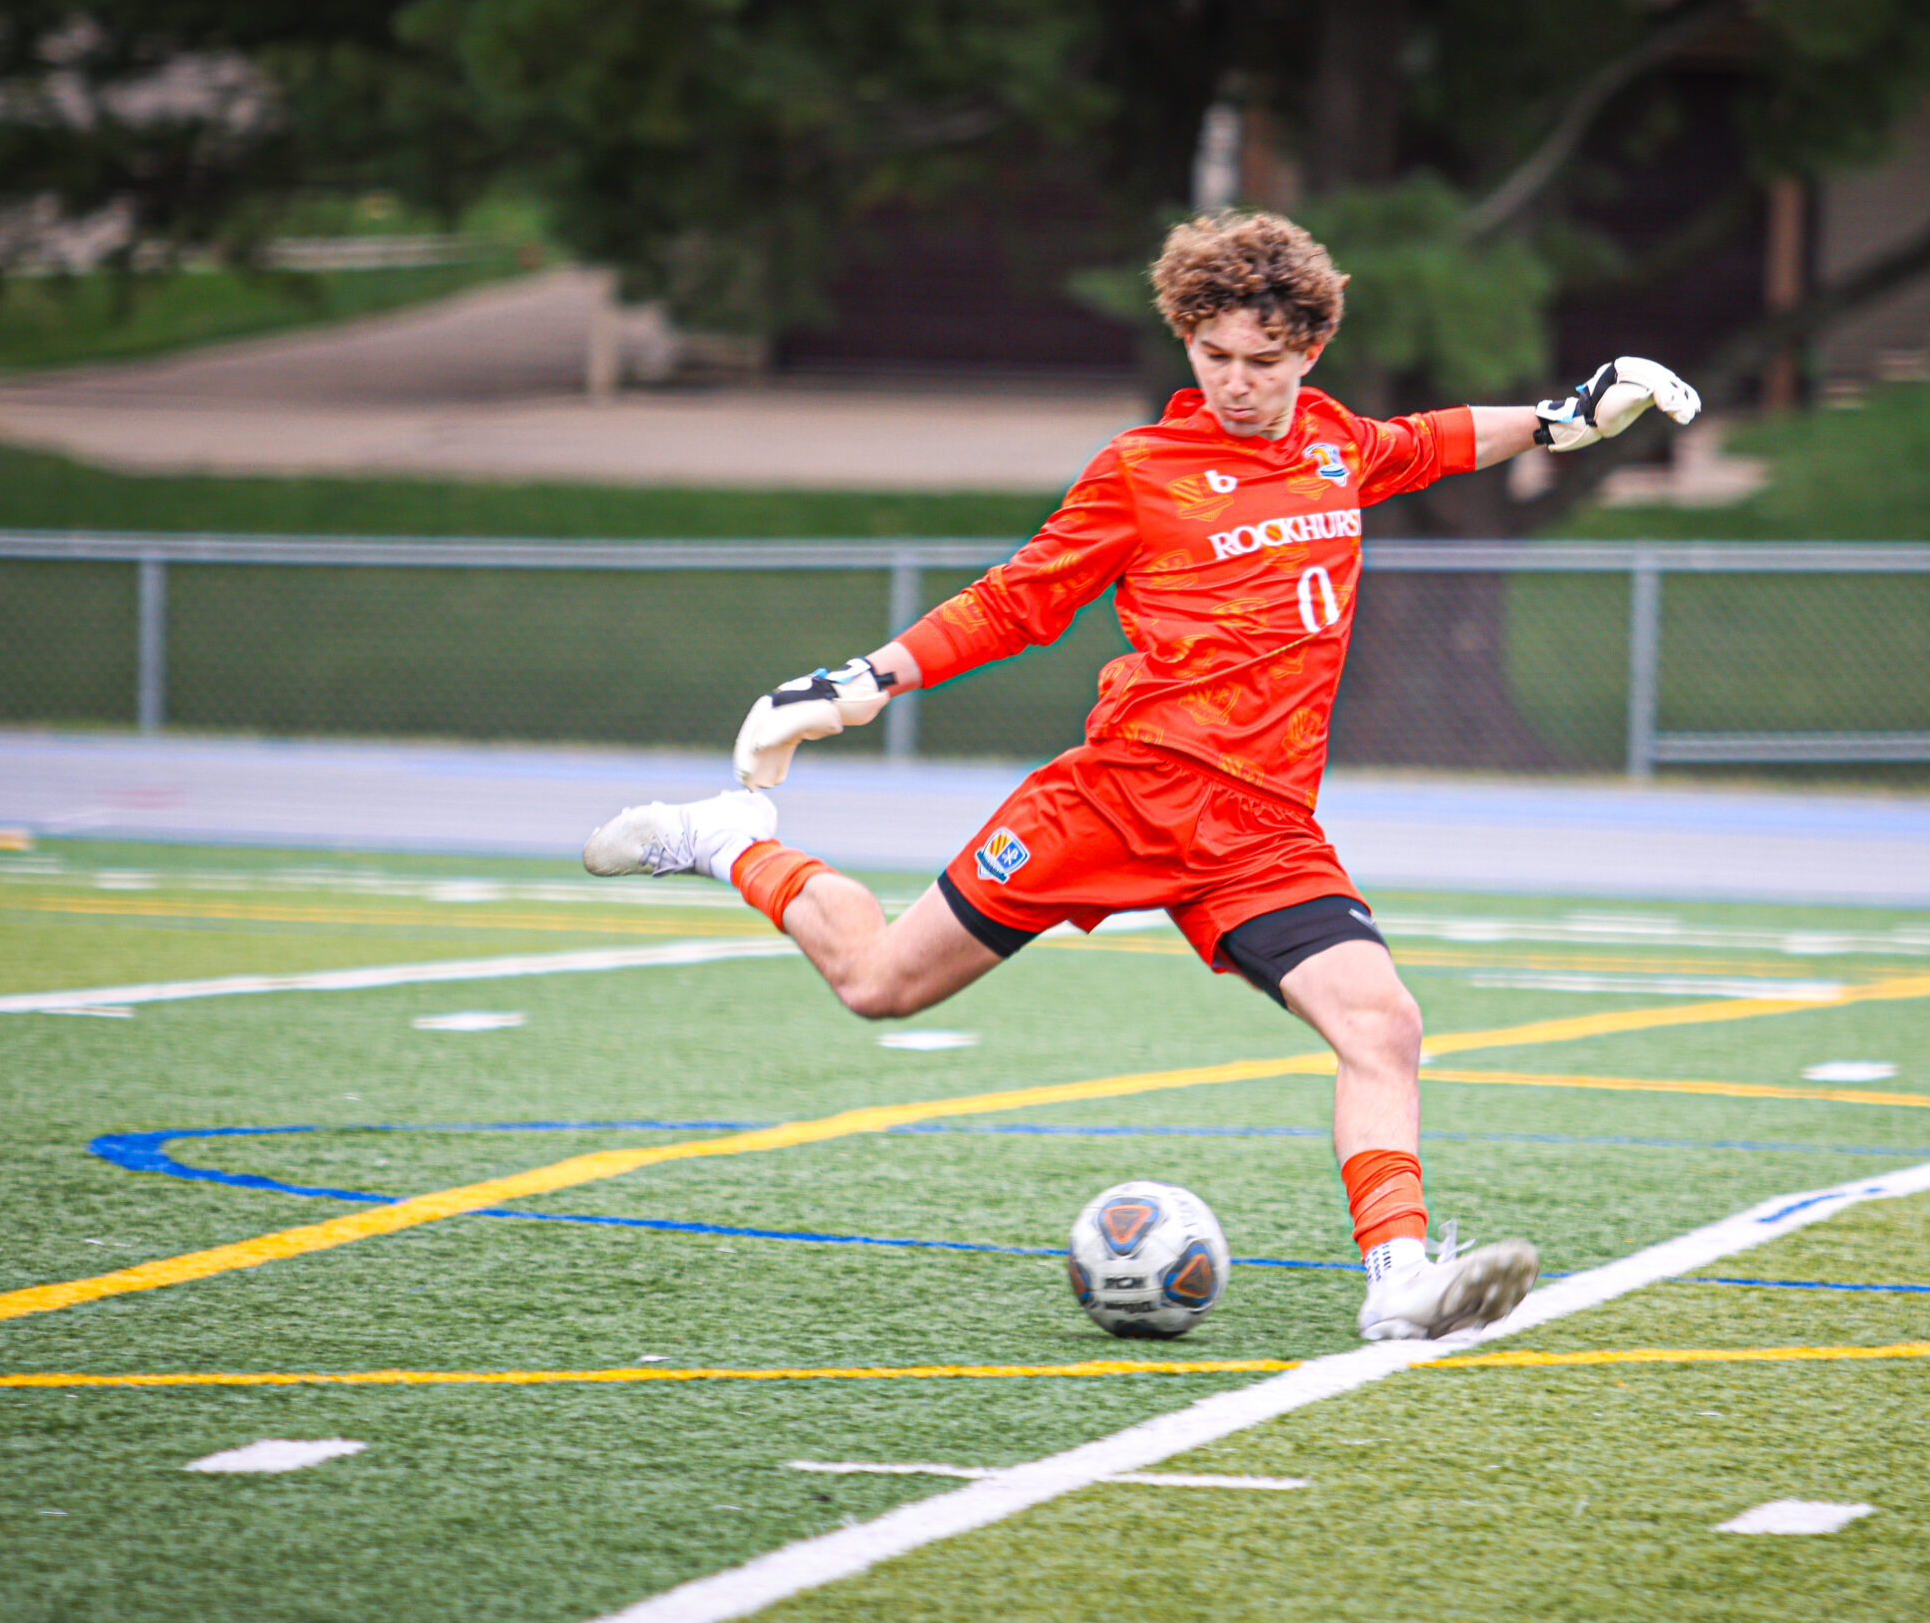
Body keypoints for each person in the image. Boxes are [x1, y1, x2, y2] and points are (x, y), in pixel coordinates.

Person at [583, 211, 1698, 1339]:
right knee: (879, 982)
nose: (1236, 382)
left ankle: (1398, 1281)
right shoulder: (1142, 470)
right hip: (1117, 799)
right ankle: (728, 839)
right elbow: (1017, 599)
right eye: (1213, 356)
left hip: (1262, 832)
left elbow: (1440, 438)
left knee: (1383, 1025)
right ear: (1186, 343)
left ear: (1309, 350)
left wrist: (1566, 419)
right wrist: (867, 679)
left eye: (1263, 360)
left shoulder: (1333, 444)